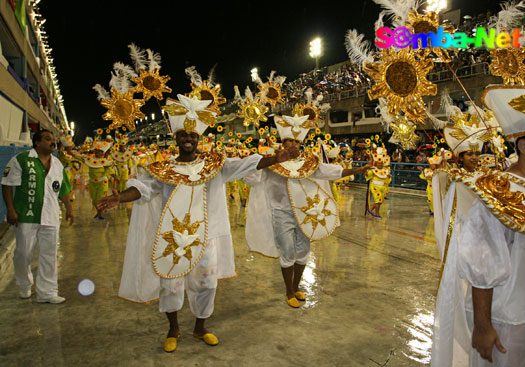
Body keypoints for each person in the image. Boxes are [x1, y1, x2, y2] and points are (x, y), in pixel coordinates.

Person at [97, 92, 298, 353]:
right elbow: (143, 188)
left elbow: (246, 164)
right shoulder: (164, 168)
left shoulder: (215, 165)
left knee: (206, 284)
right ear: (177, 138)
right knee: (170, 284)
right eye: (184, 135)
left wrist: (276, 158)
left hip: (207, 236)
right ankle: (173, 328)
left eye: (193, 135)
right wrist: (119, 197)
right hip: (173, 238)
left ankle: (200, 327)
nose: (189, 138)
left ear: (198, 139)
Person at [430, 83, 525, 366]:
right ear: (524, 146)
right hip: (510, 320)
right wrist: (483, 326)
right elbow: (481, 267)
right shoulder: (496, 195)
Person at [244, 112, 367, 308]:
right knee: (287, 251)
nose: (293, 146)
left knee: (303, 251)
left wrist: (355, 171)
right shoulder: (271, 163)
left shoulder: (309, 163)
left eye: (296, 142)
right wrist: (253, 165)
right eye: (289, 142)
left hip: (305, 213)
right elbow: (250, 177)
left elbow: (328, 171)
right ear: (283, 144)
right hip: (280, 213)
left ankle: (296, 286)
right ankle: (288, 291)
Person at [1, 129, 74, 304]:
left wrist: (70, 208)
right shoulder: (21, 160)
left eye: (54, 139)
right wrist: (10, 210)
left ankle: (47, 292)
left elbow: (63, 189)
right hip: (27, 214)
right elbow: (7, 184)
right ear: (37, 143)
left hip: (50, 216)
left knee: (49, 255)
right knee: (23, 254)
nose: (53, 142)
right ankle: (24, 285)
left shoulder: (57, 164)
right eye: (48, 139)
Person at [365, 145, 392, 218]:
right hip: (375, 187)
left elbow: (387, 180)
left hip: (382, 187)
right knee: (378, 200)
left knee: (380, 201)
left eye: (381, 163)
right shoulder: (373, 169)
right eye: (378, 163)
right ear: (376, 164)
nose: (380, 165)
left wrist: (389, 177)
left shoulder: (385, 170)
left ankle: (370, 210)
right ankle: (376, 213)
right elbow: (368, 175)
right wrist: (366, 172)